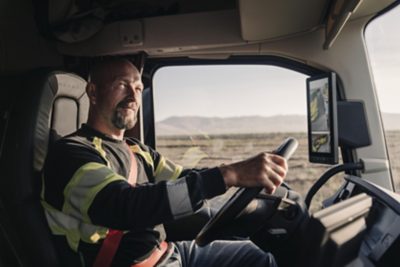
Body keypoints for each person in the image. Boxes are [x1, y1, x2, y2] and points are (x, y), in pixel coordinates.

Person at [41, 58, 288, 267]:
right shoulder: (71, 154)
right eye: (122, 85)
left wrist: (239, 176)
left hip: (168, 251)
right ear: (93, 92)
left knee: (263, 259)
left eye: (138, 88)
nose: (132, 97)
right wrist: (229, 175)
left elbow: (182, 180)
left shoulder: (138, 150)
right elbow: (126, 207)